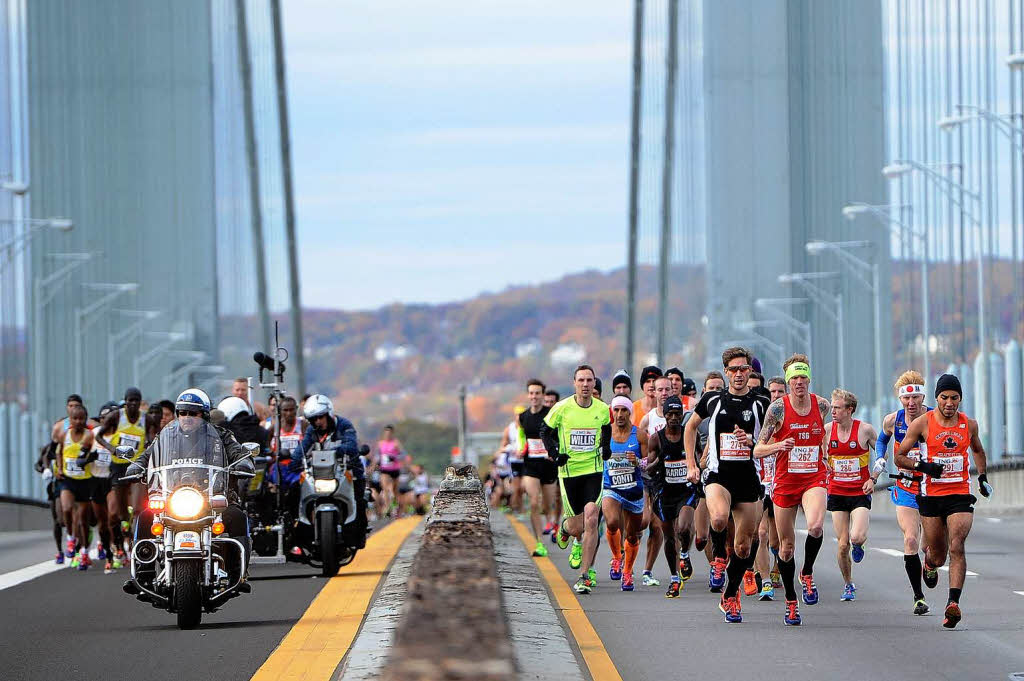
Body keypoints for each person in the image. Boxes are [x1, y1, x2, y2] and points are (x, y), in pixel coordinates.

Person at [126, 389, 254, 588]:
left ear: (203, 415)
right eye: (182, 412)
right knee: (144, 517)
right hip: (172, 496)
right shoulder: (166, 436)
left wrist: (243, 462)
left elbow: (237, 452)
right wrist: (136, 465)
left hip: (211, 497)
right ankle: (143, 575)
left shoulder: (221, 436)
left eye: (192, 413)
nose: (187, 417)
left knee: (237, 516)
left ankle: (237, 574)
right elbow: (148, 455)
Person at [895, 373, 990, 629]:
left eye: (954, 398)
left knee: (957, 544)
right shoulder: (922, 424)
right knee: (938, 555)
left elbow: (978, 450)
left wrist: (981, 477)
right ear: (936, 398)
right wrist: (923, 466)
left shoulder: (968, 425)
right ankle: (930, 563)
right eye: (944, 397)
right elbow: (900, 457)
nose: (949, 402)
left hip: (959, 493)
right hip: (931, 496)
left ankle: (953, 604)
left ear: (960, 398)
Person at [686, 347, 770, 622]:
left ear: (749, 371)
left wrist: (755, 444)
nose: (738, 374)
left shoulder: (761, 404)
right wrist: (691, 464)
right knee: (720, 518)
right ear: (726, 372)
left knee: (745, 547)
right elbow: (690, 428)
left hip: (749, 478)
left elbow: (775, 438)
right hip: (718, 475)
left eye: (743, 369)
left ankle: (730, 595)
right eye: (733, 370)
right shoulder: (712, 400)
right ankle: (719, 558)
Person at [754, 354, 830, 626]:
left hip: (813, 477)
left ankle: (807, 573)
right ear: (788, 382)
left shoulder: (822, 406)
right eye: (794, 378)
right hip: (785, 481)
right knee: (785, 549)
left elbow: (822, 435)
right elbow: (758, 449)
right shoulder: (777, 409)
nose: (799, 382)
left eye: (803, 377)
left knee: (816, 526)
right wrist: (778, 446)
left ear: (809, 379)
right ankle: (790, 601)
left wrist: (825, 458)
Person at [542, 364, 611, 594]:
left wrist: (606, 448)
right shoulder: (562, 409)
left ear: (594, 383)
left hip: (593, 471)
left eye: (589, 380)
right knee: (576, 526)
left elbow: (606, 429)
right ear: (574, 383)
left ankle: (584, 576)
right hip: (569, 473)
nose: (585, 385)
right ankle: (564, 528)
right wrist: (555, 453)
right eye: (581, 380)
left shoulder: (602, 409)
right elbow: (545, 430)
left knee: (592, 518)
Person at [876, 370, 933, 615]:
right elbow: (881, 441)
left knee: (928, 547)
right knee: (910, 539)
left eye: (915, 399)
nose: (911, 404)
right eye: (906, 399)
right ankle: (918, 597)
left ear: (922, 397)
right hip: (906, 486)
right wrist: (879, 458)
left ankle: (929, 563)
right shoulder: (893, 420)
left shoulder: (934, 417)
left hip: (931, 487)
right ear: (900, 399)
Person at [291, 394, 368, 549]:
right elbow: (302, 449)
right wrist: (294, 461)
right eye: (314, 419)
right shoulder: (312, 431)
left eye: (321, 417)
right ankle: (301, 538)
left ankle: (357, 535)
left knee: (360, 499)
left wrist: (338, 449)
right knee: (295, 494)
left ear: (329, 414)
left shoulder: (344, 425)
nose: (318, 422)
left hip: (349, 470)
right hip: (321, 474)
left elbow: (352, 446)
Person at [823, 389, 878, 602]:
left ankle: (859, 544)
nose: (833, 411)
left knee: (856, 537)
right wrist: (825, 467)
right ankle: (848, 584)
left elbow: (881, 453)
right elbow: (821, 457)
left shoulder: (865, 430)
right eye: (832, 407)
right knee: (842, 544)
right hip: (837, 492)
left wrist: (872, 478)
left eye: (837, 408)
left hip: (859, 491)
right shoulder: (827, 431)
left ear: (849, 409)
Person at [648, 394, 700, 598]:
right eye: (669, 414)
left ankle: (685, 554)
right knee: (670, 538)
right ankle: (674, 578)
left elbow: (698, 457)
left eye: (677, 414)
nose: (674, 418)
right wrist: (659, 461)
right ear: (665, 416)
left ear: (682, 414)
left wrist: (697, 469)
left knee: (684, 528)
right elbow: (649, 469)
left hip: (685, 491)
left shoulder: (689, 435)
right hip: (664, 494)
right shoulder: (656, 438)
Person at [95, 387, 146, 566]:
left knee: (139, 507)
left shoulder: (145, 419)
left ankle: (136, 544)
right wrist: (112, 449)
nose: (133, 404)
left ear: (140, 402)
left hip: (137, 466)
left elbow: (154, 438)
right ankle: (121, 542)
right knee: (118, 513)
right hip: (118, 467)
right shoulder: (117, 416)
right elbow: (99, 436)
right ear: (125, 401)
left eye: (136, 400)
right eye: (130, 400)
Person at [602, 396, 645, 591]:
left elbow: (649, 463)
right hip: (611, 487)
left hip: (634, 490)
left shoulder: (640, 435)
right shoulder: (605, 433)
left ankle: (628, 572)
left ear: (629, 412)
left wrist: (637, 461)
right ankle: (617, 558)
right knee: (611, 522)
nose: (619, 414)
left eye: (623, 410)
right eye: (616, 410)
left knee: (632, 535)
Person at [636, 376, 674, 586]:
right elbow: (639, 446)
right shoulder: (648, 419)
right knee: (642, 521)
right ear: (654, 392)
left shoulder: (681, 417)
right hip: (647, 478)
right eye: (660, 390)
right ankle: (627, 552)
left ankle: (647, 571)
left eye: (667, 389)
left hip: (667, 480)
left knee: (658, 526)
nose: (664, 393)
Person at [519, 379, 558, 556]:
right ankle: (539, 544)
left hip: (548, 465)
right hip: (531, 465)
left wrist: (554, 450)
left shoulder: (551, 414)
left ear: (543, 395)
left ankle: (553, 522)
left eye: (537, 393)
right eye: (531, 393)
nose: (534, 396)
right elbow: (523, 436)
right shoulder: (523, 417)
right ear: (528, 395)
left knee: (547, 506)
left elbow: (559, 435)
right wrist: (522, 448)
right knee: (534, 502)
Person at [55, 405, 95, 570]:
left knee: (83, 521)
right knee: (66, 508)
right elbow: (58, 452)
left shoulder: (90, 436)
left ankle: (84, 550)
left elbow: (95, 455)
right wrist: (58, 467)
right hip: (68, 480)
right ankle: (71, 538)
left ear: (85, 419)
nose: (78, 421)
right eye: (74, 418)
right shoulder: (65, 435)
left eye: (81, 418)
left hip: (84, 481)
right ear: (69, 419)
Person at [497, 407, 526, 513]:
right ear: (515, 415)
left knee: (524, 487)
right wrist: (510, 449)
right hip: (514, 462)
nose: (520, 417)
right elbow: (502, 446)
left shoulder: (528, 427)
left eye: (522, 414)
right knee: (517, 488)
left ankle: (517, 506)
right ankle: (518, 508)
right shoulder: (510, 429)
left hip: (527, 461)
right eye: (518, 414)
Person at [375, 425, 406, 518]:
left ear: (392, 433)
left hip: (395, 469)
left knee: (395, 490)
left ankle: (399, 509)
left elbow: (403, 454)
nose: (387, 435)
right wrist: (376, 464)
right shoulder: (380, 443)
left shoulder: (396, 443)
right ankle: (387, 507)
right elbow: (377, 455)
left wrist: (395, 457)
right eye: (386, 433)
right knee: (385, 487)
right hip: (384, 469)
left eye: (389, 433)